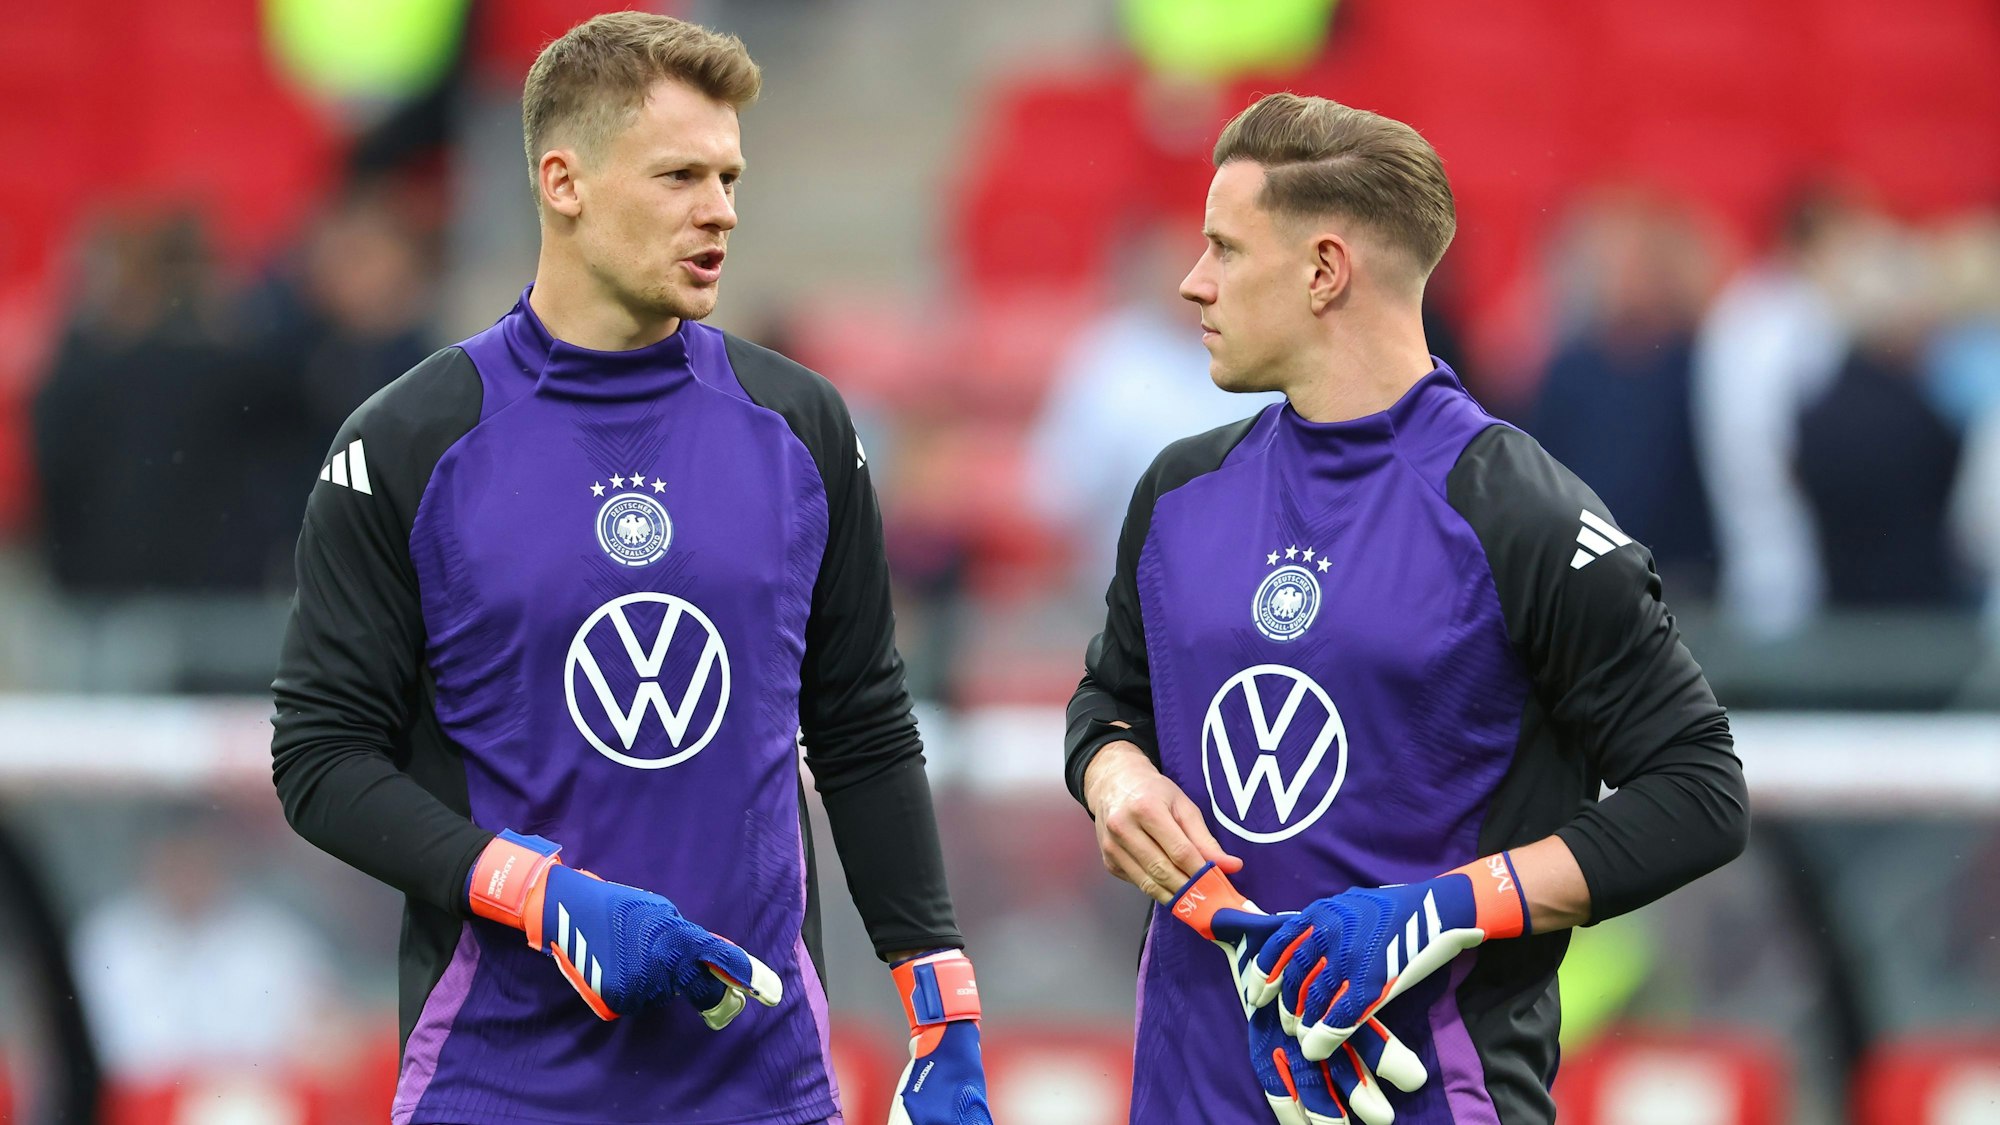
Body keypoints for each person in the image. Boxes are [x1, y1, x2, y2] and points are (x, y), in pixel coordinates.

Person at [270, 14, 989, 1125]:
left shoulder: (799, 427)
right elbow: (321, 761)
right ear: (563, 181)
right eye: (678, 177)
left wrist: (940, 1005)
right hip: (496, 1083)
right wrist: (541, 896)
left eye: (730, 177)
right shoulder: (409, 443)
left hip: (761, 1087)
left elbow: (861, 724)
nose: (721, 210)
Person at [1063, 93, 1748, 1125]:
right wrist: (1112, 779)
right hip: (1184, 1096)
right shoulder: (1176, 496)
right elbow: (1108, 705)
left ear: (1324, 271)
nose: (1191, 282)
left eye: (1223, 249)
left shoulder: (1516, 512)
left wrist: (1434, 913)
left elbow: (1697, 792)